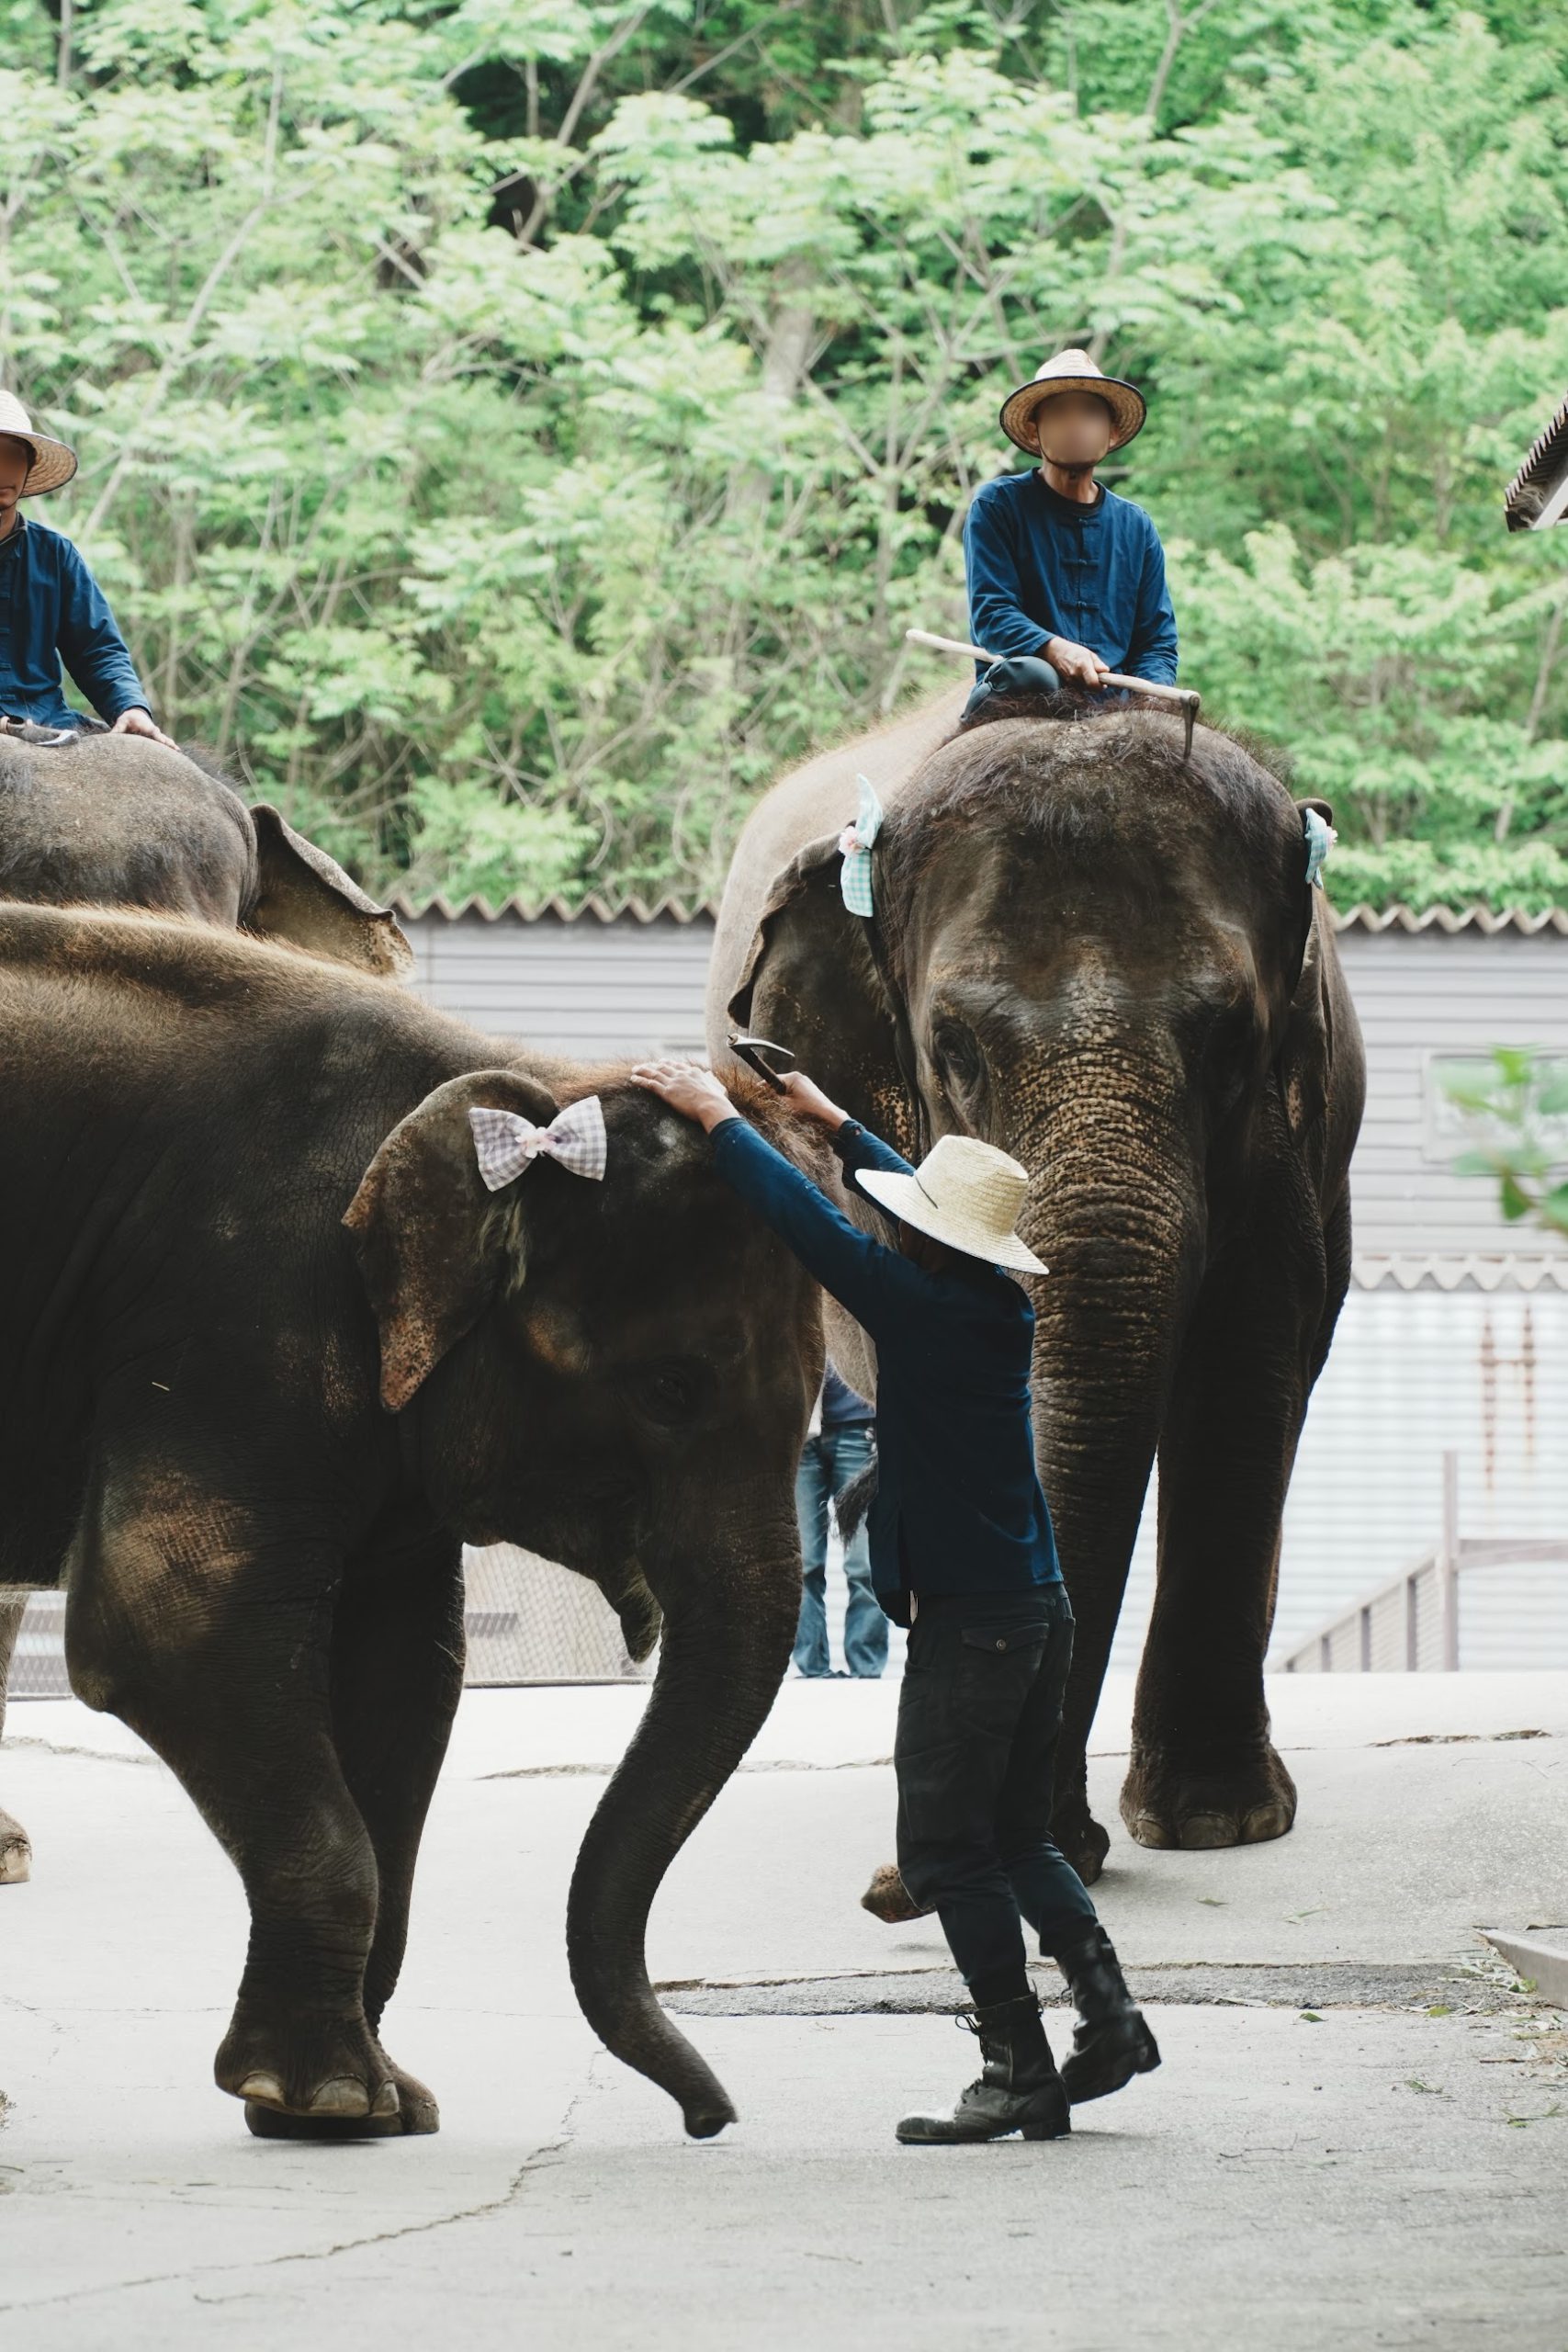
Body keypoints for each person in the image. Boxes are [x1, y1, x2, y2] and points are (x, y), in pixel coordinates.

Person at [629, 1053, 1160, 2146]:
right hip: (1036, 1611)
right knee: (1019, 1837)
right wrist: (835, 1119)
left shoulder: (920, 1309)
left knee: (945, 1854)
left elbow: (811, 1227)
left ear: (928, 1236)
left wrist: (721, 1118)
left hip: (978, 1627)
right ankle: (1110, 2023)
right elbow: (906, 1200)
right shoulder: (991, 1305)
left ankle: (1017, 2068)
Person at [961, 346, 1177, 725]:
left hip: (1115, 703)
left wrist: (1151, 706)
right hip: (1022, 690)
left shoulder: (1136, 527)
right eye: (1060, 413)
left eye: (1090, 414)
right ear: (1034, 429)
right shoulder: (997, 506)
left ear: (1111, 434)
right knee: (1035, 674)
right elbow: (993, 614)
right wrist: (1056, 650)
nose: (1075, 425)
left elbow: (1156, 643)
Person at [0, 390, 175, 744]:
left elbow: (98, 650)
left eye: (13, 455)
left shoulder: (56, 554)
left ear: (29, 465)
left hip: (49, 723)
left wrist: (130, 707)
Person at [795, 1363, 885, 1679]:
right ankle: (811, 1668)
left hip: (860, 1426)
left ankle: (867, 1668)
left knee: (865, 1565)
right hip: (800, 1429)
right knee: (803, 1563)